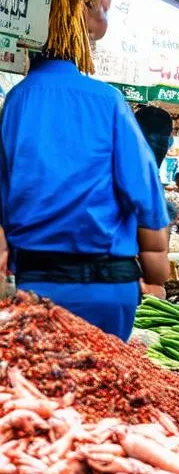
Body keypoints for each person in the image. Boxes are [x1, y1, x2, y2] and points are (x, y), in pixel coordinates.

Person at [0, 54, 170, 339]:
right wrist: (156, 272)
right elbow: (146, 197)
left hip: (38, 287)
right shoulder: (109, 100)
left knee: (44, 378)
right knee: (106, 380)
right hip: (108, 289)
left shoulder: (17, 101)